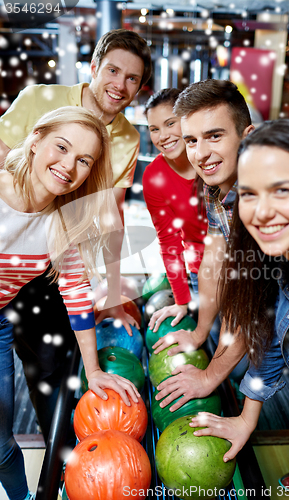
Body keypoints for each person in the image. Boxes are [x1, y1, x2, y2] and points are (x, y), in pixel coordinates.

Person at [0, 28, 152, 440]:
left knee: (51, 362)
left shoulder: (128, 138)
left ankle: (62, 451)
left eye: (132, 78)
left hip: (56, 257)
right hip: (13, 241)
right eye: (113, 70)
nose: (119, 85)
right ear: (94, 67)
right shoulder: (39, 99)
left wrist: (116, 295)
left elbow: (110, 217)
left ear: (140, 87)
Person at [0, 106, 141, 500]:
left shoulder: (62, 221)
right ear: (35, 140)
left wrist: (93, 372)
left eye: (83, 160)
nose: (68, 166)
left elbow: (77, 293)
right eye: (60, 147)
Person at [190, 118, 289, 493]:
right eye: (250, 194)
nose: (262, 212)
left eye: (282, 190)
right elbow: (268, 335)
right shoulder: (280, 259)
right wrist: (246, 418)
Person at [152, 79, 253, 412]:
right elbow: (213, 260)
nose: (201, 153)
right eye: (191, 140)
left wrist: (209, 377)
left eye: (214, 136)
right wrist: (198, 332)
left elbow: (244, 305)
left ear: (247, 136)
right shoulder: (217, 190)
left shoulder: (259, 201)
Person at [142, 88, 213, 335]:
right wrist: (182, 300)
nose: (162, 136)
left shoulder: (212, 158)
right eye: (154, 129)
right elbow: (169, 241)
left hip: (241, 267)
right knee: (213, 341)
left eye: (170, 123)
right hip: (199, 272)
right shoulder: (154, 176)